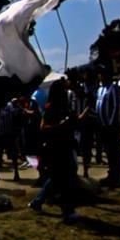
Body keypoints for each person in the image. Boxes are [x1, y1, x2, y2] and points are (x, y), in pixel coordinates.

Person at [29, 79, 81, 222]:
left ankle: (38, 201)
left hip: (65, 145)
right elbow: (43, 127)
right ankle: (67, 210)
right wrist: (61, 125)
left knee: (57, 178)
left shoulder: (66, 107)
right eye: (63, 90)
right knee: (64, 180)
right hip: (55, 148)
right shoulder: (50, 108)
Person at [96, 67, 120, 187]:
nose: (100, 76)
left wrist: (113, 124)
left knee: (115, 151)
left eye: (102, 74)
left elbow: (117, 107)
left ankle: (118, 176)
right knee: (108, 151)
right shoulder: (100, 89)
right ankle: (112, 173)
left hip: (111, 127)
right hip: (102, 126)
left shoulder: (113, 89)